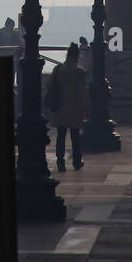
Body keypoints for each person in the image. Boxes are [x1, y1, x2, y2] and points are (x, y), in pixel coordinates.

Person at [47, 42, 90, 172]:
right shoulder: (79, 72)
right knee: (75, 135)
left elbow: (48, 85)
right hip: (75, 107)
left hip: (60, 106)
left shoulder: (58, 69)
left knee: (61, 135)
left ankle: (60, 161)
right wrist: (86, 107)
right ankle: (77, 161)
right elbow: (83, 92)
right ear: (77, 56)